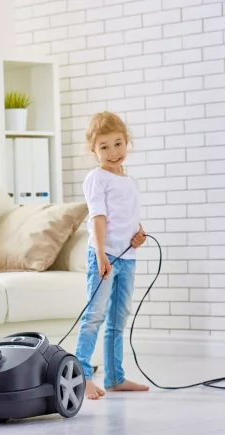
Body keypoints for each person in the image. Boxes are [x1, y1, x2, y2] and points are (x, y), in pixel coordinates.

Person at [75, 111, 150, 400]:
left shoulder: (128, 181)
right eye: (104, 147)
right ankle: (81, 374)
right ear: (93, 151)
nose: (113, 152)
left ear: (127, 142)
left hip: (127, 257)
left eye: (118, 144)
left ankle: (115, 377)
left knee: (118, 319)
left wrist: (138, 237)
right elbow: (99, 217)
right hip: (104, 257)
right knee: (94, 316)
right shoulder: (97, 178)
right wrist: (101, 253)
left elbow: (128, 220)